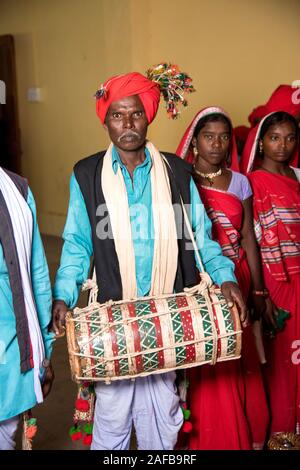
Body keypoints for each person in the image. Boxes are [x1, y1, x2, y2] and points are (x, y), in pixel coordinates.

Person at [51, 70, 247, 451]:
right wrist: (63, 293)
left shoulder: (175, 172)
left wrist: (226, 277)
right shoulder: (87, 175)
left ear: (148, 117)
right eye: (117, 115)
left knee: (164, 413)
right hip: (115, 313)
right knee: (112, 415)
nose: (127, 124)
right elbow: (76, 242)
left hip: (167, 313)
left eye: (135, 114)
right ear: (106, 120)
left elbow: (200, 235)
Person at [176, 106, 269, 450]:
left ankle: (242, 432)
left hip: (236, 276)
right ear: (195, 141)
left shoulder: (240, 182)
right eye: (208, 136)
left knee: (237, 358)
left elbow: (248, 236)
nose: (216, 144)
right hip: (197, 281)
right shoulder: (179, 178)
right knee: (204, 359)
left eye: (223, 137)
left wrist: (258, 288)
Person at [243, 110, 300, 436]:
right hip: (271, 281)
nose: (283, 145)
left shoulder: (298, 177)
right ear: (261, 142)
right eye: (275, 138)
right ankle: (280, 432)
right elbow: (250, 237)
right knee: (278, 362)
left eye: (290, 137)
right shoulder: (251, 183)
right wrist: (259, 294)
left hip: (299, 278)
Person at [0, 168, 54, 450]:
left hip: (10, 348)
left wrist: (44, 352)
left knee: (5, 432)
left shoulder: (16, 190)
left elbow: (38, 276)